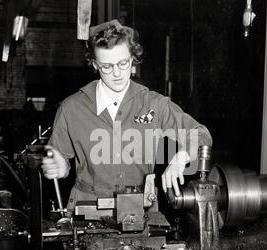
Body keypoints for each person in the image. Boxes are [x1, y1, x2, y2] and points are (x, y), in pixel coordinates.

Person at [42, 19, 212, 210]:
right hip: (87, 210)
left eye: (122, 63)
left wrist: (181, 157)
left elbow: (201, 134)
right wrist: (59, 167)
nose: (116, 73)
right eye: (106, 66)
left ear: (132, 58)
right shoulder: (71, 108)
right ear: (95, 65)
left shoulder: (154, 104)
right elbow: (61, 163)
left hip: (141, 210)